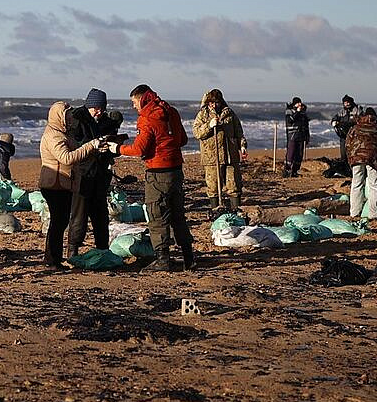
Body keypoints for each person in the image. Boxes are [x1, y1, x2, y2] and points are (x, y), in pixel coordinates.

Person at [119, 85, 196, 271]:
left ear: (142, 99)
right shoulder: (171, 112)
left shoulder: (146, 118)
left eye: (134, 103)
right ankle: (188, 256)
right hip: (176, 171)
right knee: (177, 214)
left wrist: (117, 149)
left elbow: (139, 149)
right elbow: (183, 140)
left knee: (157, 215)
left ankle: (163, 258)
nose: (134, 107)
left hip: (158, 172)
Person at [38, 100, 107, 268]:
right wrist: (90, 145)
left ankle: (53, 259)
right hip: (54, 184)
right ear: (58, 117)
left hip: (63, 182)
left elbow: (76, 152)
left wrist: (95, 150)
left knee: (60, 222)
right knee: (58, 222)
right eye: (67, 116)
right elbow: (67, 158)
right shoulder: (54, 136)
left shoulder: (64, 133)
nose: (70, 119)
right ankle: (52, 260)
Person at [66, 88, 123, 253]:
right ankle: (73, 250)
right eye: (96, 108)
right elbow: (74, 146)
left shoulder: (107, 122)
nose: (99, 112)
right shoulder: (77, 119)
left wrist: (112, 147)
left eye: (102, 108)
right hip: (82, 174)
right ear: (89, 105)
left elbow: (113, 146)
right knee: (79, 216)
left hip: (101, 174)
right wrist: (94, 146)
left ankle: (103, 249)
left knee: (101, 215)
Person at [192, 88, 246, 209]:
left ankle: (235, 210)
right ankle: (215, 210)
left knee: (234, 185)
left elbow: (238, 132)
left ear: (221, 101)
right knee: (213, 187)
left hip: (230, 156)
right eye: (211, 102)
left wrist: (242, 146)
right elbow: (196, 132)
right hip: (211, 157)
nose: (214, 105)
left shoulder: (229, 114)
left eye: (216, 102)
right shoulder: (203, 114)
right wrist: (209, 126)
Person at [345, 107, 377, 220]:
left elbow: (347, 145)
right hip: (373, 159)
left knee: (356, 184)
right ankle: (373, 214)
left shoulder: (355, 128)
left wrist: (350, 160)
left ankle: (354, 213)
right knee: (375, 185)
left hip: (356, 158)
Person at [282, 96, 310, 177]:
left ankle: (295, 171)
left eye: (300, 102)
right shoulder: (289, 111)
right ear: (294, 104)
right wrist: (297, 112)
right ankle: (287, 171)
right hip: (292, 136)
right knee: (290, 154)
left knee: (299, 155)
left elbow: (306, 125)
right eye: (298, 103)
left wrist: (307, 136)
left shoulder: (303, 113)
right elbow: (290, 120)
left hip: (301, 136)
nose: (299, 104)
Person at [332, 95, 357, 164]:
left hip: (355, 136)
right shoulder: (341, 112)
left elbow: (362, 120)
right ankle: (345, 168)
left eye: (348, 102)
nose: (347, 104)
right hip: (343, 136)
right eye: (345, 103)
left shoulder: (357, 110)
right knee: (343, 154)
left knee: (354, 154)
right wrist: (334, 122)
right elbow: (335, 118)